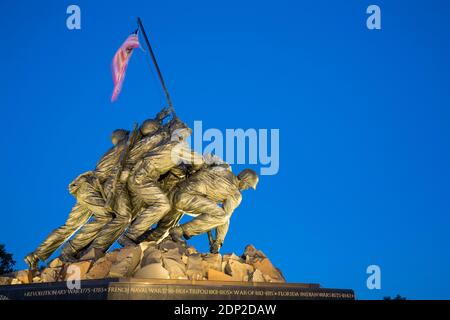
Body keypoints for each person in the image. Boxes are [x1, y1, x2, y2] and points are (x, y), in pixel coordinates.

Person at [24, 129, 130, 269]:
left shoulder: (117, 151)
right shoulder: (118, 148)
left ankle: (36, 255)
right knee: (107, 216)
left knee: (69, 227)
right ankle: (70, 250)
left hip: (87, 189)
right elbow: (133, 140)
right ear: (121, 137)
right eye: (127, 135)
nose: (130, 137)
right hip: (88, 188)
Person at [116, 117, 204, 247]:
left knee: (145, 210)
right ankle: (129, 236)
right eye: (185, 133)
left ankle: (142, 238)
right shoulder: (178, 146)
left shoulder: (165, 142)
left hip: (142, 177)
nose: (186, 136)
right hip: (142, 177)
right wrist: (194, 169)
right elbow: (199, 160)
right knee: (162, 205)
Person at [169, 167, 259, 253]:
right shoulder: (235, 194)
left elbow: (202, 173)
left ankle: (179, 231)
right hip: (186, 199)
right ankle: (180, 231)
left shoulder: (223, 171)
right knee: (222, 216)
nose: (246, 188)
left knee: (216, 213)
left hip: (176, 191)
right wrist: (218, 242)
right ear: (244, 179)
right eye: (248, 185)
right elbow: (225, 217)